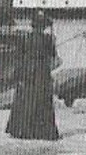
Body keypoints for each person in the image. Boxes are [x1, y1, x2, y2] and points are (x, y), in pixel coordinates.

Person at [5, 11, 59, 141]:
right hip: (41, 72)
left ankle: (21, 129)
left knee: (25, 99)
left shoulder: (25, 38)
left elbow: (19, 56)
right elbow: (53, 56)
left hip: (27, 71)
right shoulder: (47, 39)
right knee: (42, 100)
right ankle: (43, 131)